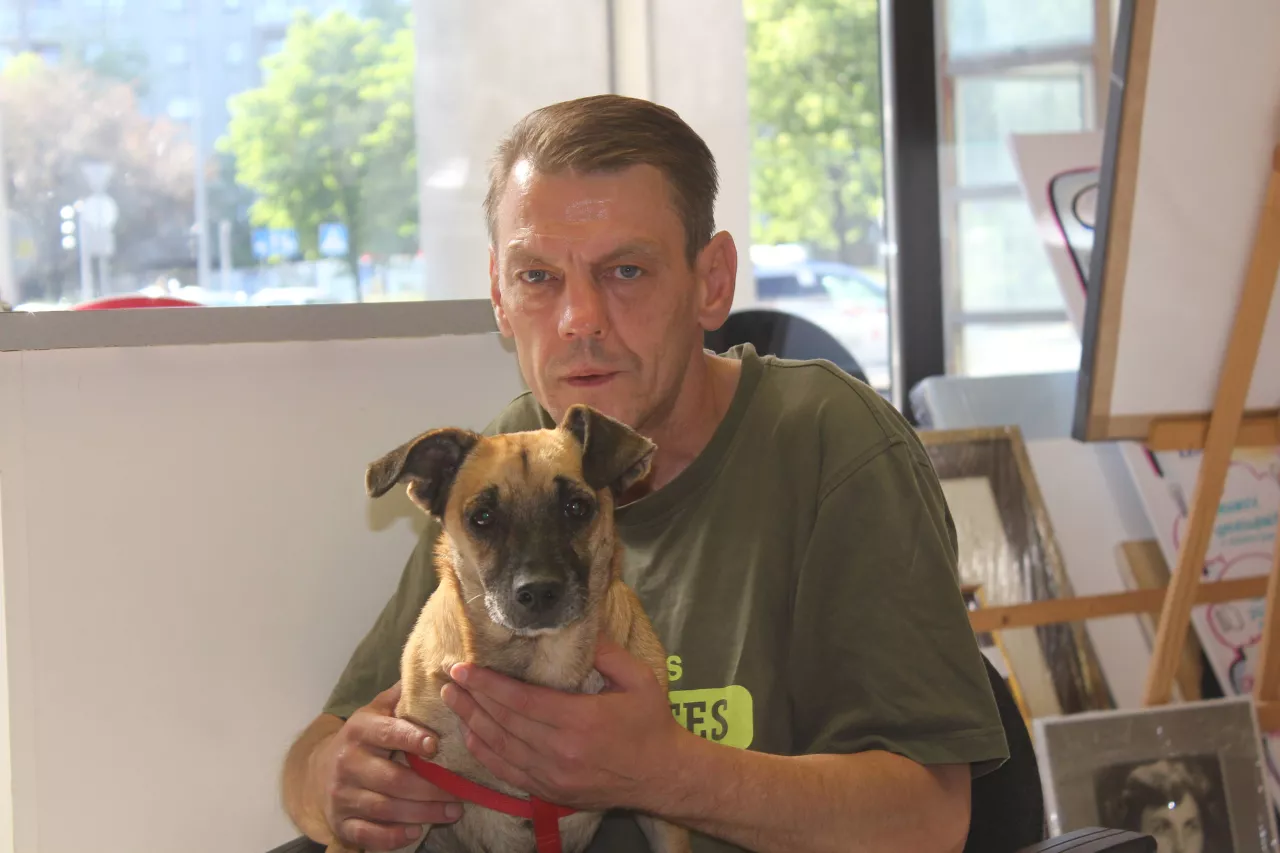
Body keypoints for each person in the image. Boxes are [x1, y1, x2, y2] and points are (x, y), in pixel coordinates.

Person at [280, 94, 1009, 853]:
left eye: (625, 270)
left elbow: (927, 819)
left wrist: (660, 773)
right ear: (499, 294)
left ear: (711, 281)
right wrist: (337, 781)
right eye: (538, 277)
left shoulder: (830, 441)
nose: (580, 319)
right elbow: (317, 754)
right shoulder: (506, 462)